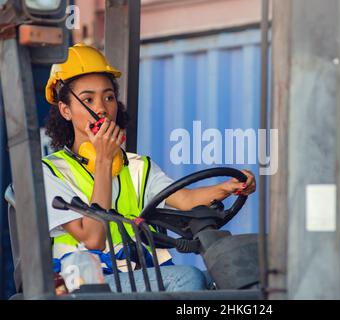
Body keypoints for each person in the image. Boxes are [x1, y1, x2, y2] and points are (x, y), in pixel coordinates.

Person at [42, 43, 256, 292]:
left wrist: (229, 187)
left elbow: (186, 199)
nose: (101, 108)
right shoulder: (50, 172)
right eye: (88, 99)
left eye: (109, 97)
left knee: (228, 279)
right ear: (66, 110)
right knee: (188, 279)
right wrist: (102, 161)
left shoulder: (137, 166)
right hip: (87, 284)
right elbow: (93, 238)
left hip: (142, 278)